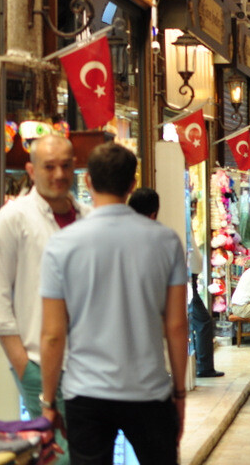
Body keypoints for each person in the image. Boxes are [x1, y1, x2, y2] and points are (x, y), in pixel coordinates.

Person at [39, 143, 187, 463]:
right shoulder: (166, 241)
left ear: (88, 181)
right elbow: (176, 326)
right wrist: (179, 393)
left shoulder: (61, 245)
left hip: (86, 392)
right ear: (132, 185)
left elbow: (52, 334)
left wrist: (48, 401)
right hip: (149, 390)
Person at [0, 134, 88, 463]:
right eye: (49, 166)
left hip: (89, 365)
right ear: (31, 170)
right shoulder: (11, 221)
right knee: (58, 456)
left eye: (66, 166)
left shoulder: (87, 217)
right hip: (40, 364)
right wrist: (25, 367)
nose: (58, 174)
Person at [129, 187, 223, 379]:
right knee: (200, 321)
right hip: (175, 286)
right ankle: (202, 367)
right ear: (155, 212)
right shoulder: (165, 237)